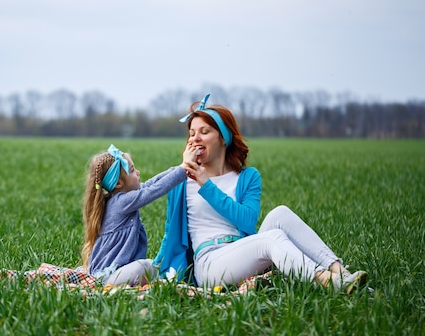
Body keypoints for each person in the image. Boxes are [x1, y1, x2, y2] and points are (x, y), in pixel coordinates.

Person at [153, 94, 368, 293]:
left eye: (204, 132)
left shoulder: (247, 177)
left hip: (243, 251)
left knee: (281, 214)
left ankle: (342, 274)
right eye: (191, 134)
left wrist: (206, 184)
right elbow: (169, 231)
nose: (195, 139)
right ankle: (327, 282)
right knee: (271, 239)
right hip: (210, 264)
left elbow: (247, 221)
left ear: (223, 138)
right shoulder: (183, 181)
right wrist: (154, 269)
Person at [81, 143, 197, 286]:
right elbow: (154, 190)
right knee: (146, 266)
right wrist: (183, 170)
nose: (138, 172)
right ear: (118, 183)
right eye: (132, 170)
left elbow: (150, 184)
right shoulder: (121, 203)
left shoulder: (119, 198)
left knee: (150, 267)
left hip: (117, 274)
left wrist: (180, 167)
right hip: (108, 277)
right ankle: (111, 287)